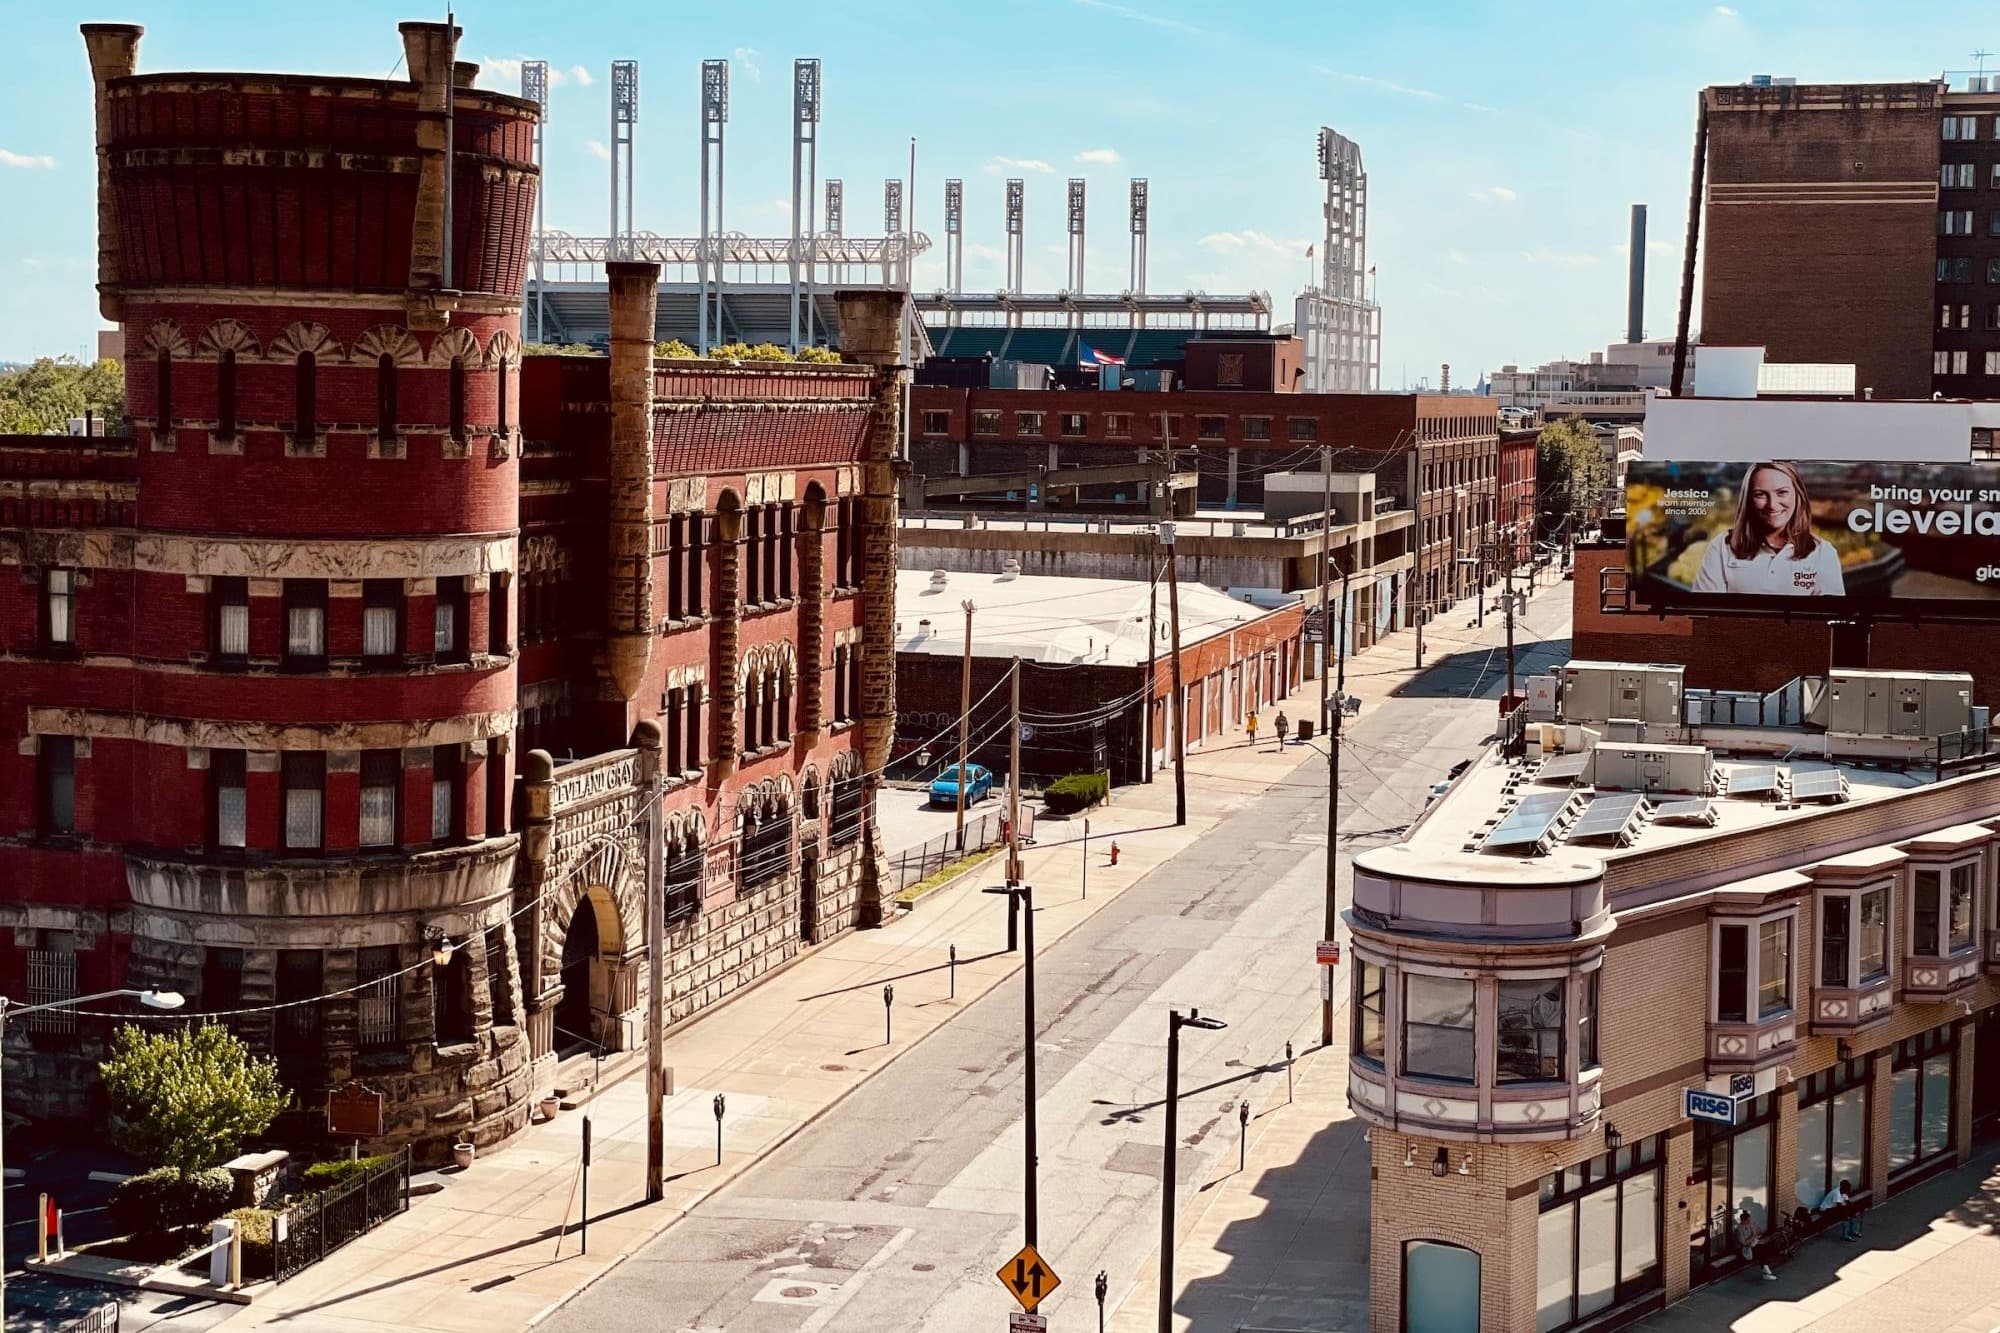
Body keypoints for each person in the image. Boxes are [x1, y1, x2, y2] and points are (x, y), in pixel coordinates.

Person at [1692, 460, 1845, 597]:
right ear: (1748, 500)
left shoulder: (1824, 553)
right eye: (1760, 495)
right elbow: (1705, 616)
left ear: (1798, 496)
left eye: (1782, 492)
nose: (1772, 505)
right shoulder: (1721, 547)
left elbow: (1828, 620)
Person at [1736, 1209, 1778, 1281]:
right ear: (1743, 1221)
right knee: (1761, 1251)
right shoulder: (1739, 1229)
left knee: (1764, 1247)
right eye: (1748, 1220)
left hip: (1753, 1245)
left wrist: (1757, 1236)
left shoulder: (1750, 1225)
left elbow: (1755, 1235)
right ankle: (1766, 1270)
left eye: (1750, 1220)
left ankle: (1765, 1269)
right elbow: (1743, 1243)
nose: (1749, 1222)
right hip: (1745, 1249)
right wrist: (1753, 1238)